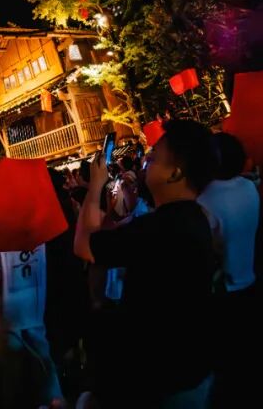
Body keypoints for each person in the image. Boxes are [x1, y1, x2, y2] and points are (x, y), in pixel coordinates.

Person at [74, 119, 216, 406]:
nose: (146, 161)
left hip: (160, 382)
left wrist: (95, 186)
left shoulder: (161, 228)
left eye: (154, 158)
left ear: (175, 173)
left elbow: (83, 246)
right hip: (189, 370)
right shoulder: (193, 217)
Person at [198, 132, 259, 405]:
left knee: (229, 371)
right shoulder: (248, 187)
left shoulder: (204, 201)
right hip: (251, 280)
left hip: (224, 292)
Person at [0, 240, 63, 408]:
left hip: (8, 317)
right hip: (35, 309)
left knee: (10, 375)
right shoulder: (39, 238)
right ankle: (54, 401)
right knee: (44, 364)